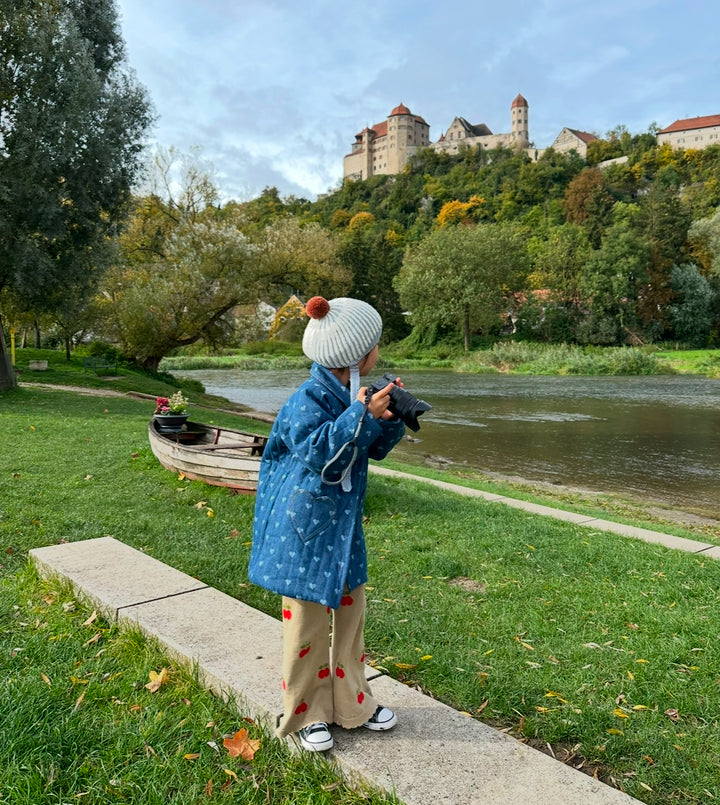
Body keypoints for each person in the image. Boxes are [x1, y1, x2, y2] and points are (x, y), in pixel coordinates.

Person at [248, 295, 405, 752]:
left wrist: (388, 418)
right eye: (375, 342)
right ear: (360, 353)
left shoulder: (351, 392)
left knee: (351, 616)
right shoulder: (306, 400)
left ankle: (352, 703)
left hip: (342, 530)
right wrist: (362, 415)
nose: (378, 348)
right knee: (307, 625)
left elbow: (366, 449)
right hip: (302, 530)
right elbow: (324, 455)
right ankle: (306, 712)